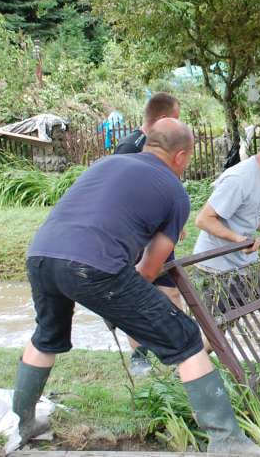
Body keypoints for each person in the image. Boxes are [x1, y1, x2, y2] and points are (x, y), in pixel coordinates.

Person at [13, 118, 260, 457]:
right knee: (186, 339)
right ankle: (227, 441)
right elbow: (150, 269)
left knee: (46, 336)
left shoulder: (109, 162)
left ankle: (23, 424)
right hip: (94, 265)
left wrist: (115, 304)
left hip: (41, 255)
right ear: (181, 156)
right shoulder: (174, 192)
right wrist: (117, 304)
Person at [193, 118, 260, 353]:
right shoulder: (240, 178)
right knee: (216, 336)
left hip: (247, 264)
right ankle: (185, 371)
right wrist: (237, 241)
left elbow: (248, 217)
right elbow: (203, 219)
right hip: (217, 268)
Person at [113, 92, 184, 375]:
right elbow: (122, 198)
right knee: (137, 293)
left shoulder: (164, 148)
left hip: (160, 235)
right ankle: (139, 355)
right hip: (136, 237)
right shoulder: (129, 148)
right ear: (163, 119)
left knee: (172, 293)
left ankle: (179, 351)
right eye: (176, 120)